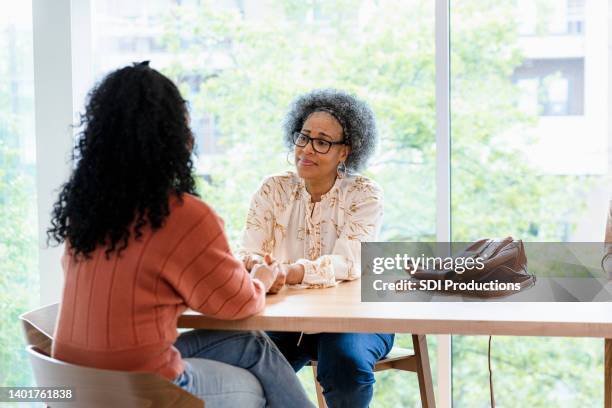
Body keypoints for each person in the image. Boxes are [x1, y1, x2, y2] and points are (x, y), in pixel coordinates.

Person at [47, 62, 313, 408]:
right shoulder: (181, 214)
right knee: (252, 386)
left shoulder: (86, 211)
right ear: (173, 135)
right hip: (138, 389)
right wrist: (261, 278)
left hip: (72, 383)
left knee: (250, 344)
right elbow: (236, 303)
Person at [239, 88, 393, 407]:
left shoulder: (365, 194)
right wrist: (259, 266)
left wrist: (290, 272)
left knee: (345, 365)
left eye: (322, 142)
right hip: (286, 319)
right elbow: (249, 252)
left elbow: (347, 264)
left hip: (355, 319)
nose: (307, 149)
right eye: (303, 137)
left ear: (345, 152)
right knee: (242, 368)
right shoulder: (273, 189)